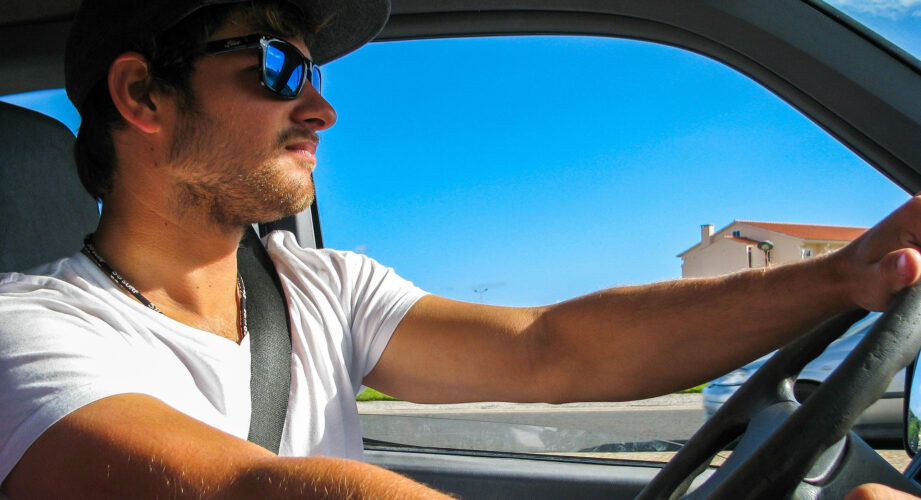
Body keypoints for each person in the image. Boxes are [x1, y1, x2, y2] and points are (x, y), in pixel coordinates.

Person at [2, 0, 921, 498]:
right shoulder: (26, 332)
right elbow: (257, 489)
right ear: (142, 96)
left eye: (313, 71)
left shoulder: (321, 286)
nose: (321, 106)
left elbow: (548, 345)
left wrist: (847, 275)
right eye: (277, 66)